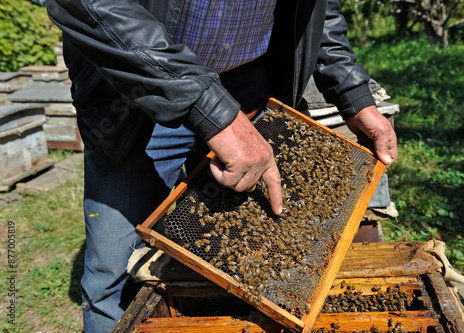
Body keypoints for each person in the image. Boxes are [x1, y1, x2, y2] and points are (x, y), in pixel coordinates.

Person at [46, 0, 398, 331]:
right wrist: (208, 106)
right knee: (115, 277)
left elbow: (318, 9)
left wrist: (352, 93)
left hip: (249, 84)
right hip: (135, 92)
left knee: (249, 258)